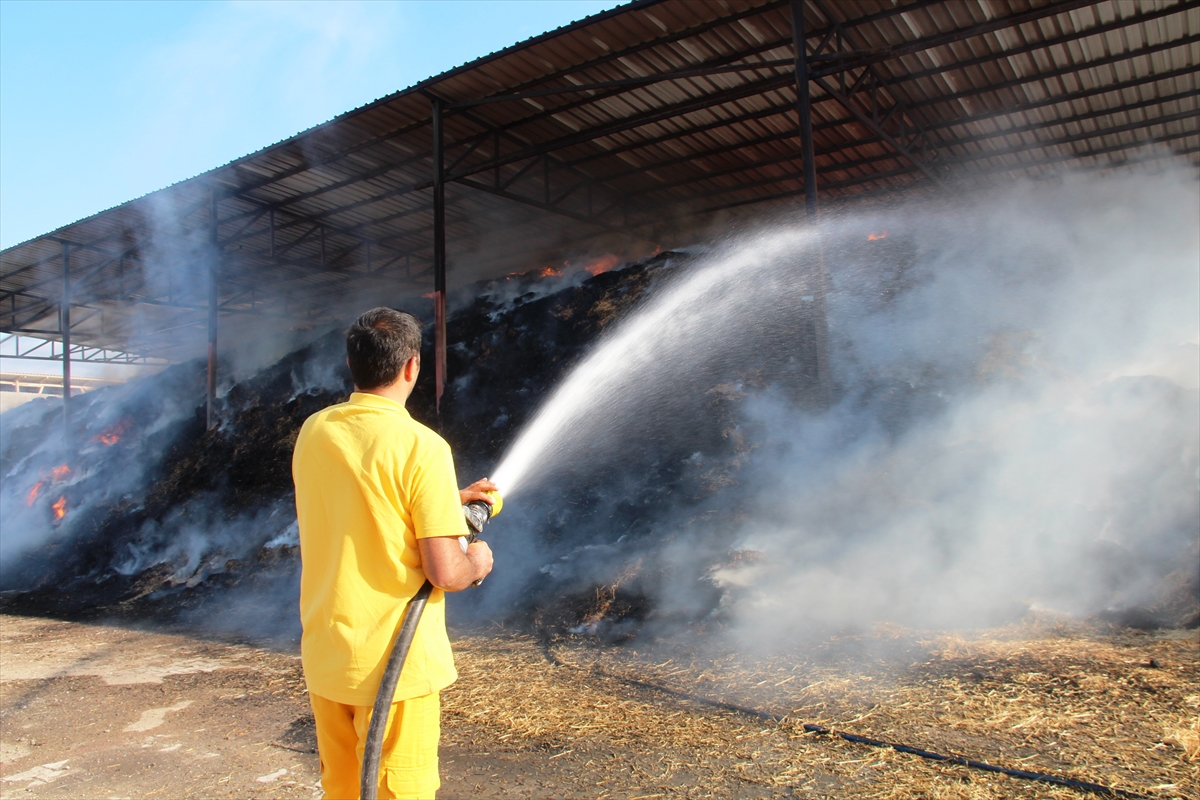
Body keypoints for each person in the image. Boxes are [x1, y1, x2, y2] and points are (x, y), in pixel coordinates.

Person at [292, 307, 495, 799]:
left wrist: (449, 502)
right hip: (394, 669)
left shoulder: (314, 432)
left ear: (351, 364)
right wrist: (479, 560)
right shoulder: (422, 446)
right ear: (412, 367)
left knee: (341, 788)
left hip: (328, 657)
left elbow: (370, 499)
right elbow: (445, 571)